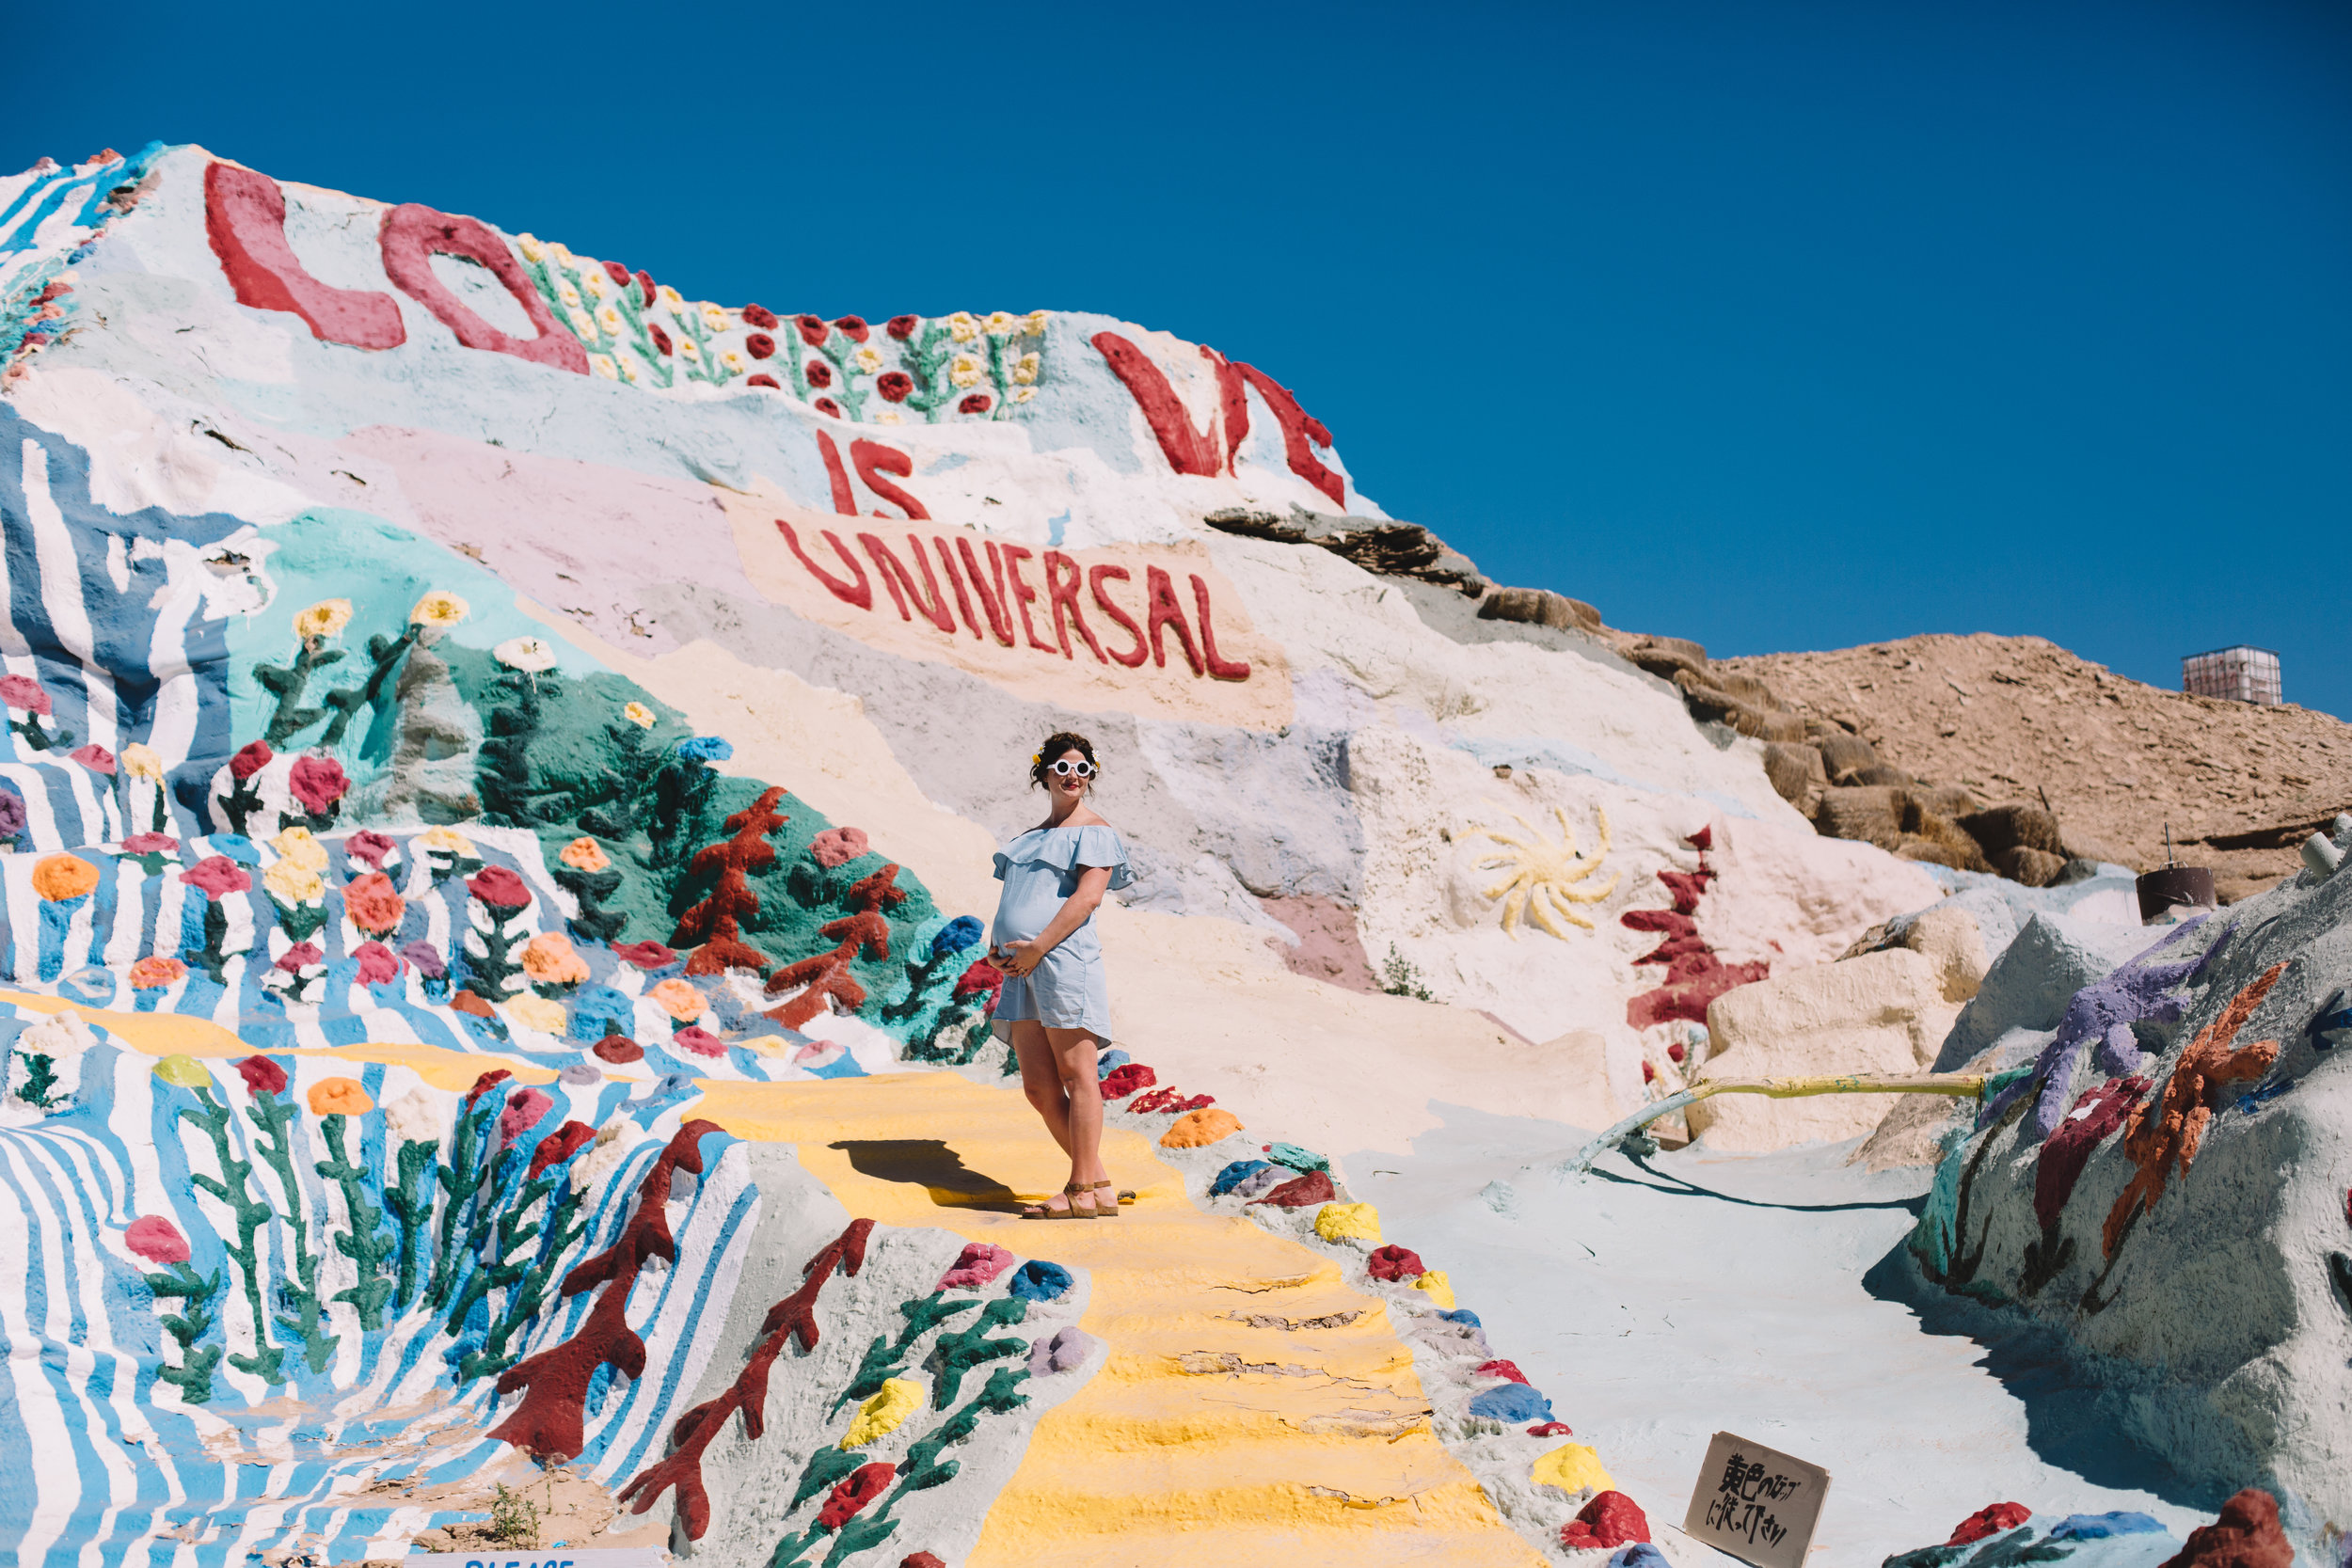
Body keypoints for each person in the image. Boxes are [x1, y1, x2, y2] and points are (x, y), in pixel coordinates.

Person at [991, 731, 1134, 1219]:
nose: (1073, 777)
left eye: (1083, 769)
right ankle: (1098, 1185)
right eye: (1064, 768)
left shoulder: (1095, 831)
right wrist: (1000, 951)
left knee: (1078, 1073)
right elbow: (1016, 902)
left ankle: (1079, 1190)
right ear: (1044, 773)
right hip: (1020, 967)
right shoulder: (1028, 839)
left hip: (1063, 961)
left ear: (1091, 776)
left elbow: (1088, 898)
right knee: (1038, 1087)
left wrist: (1037, 947)